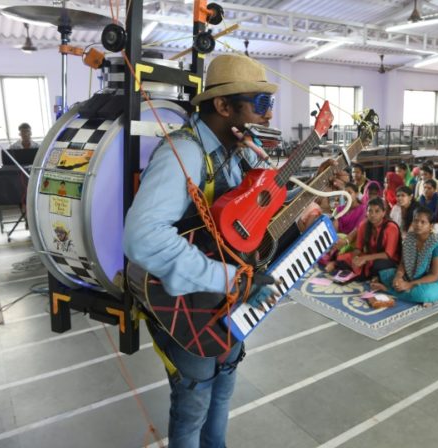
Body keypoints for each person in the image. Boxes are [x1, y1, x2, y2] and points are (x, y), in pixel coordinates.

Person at [123, 54, 301, 448]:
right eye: (260, 104)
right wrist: (230, 278)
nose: (267, 116)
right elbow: (142, 238)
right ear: (222, 106)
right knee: (193, 405)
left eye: (267, 105)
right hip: (189, 308)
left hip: (228, 301)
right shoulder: (184, 154)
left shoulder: (238, 153)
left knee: (224, 385)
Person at [370, 206, 438, 306]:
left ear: (431, 226)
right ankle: (403, 289)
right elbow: (403, 262)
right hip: (412, 275)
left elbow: (435, 275)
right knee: (386, 275)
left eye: (423, 222)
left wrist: (409, 285)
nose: (418, 225)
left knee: (424, 294)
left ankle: (388, 290)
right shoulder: (410, 237)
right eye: (415, 221)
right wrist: (398, 277)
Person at [335, 197, 401, 279]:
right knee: (341, 258)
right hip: (369, 256)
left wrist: (365, 258)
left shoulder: (391, 227)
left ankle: (365, 273)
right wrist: (355, 258)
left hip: (386, 259)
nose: (373, 215)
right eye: (370, 211)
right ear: (366, 212)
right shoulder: (364, 225)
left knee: (377, 265)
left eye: (377, 211)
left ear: (383, 213)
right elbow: (358, 248)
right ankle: (363, 272)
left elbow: (388, 254)